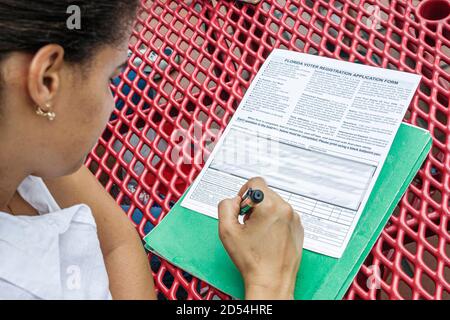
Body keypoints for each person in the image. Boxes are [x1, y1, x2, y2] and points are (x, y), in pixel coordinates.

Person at [0, 1, 304, 300]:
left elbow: (118, 242)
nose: (113, 104)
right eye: (112, 78)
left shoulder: (23, 136)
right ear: (46, 81)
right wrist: (270, 285)